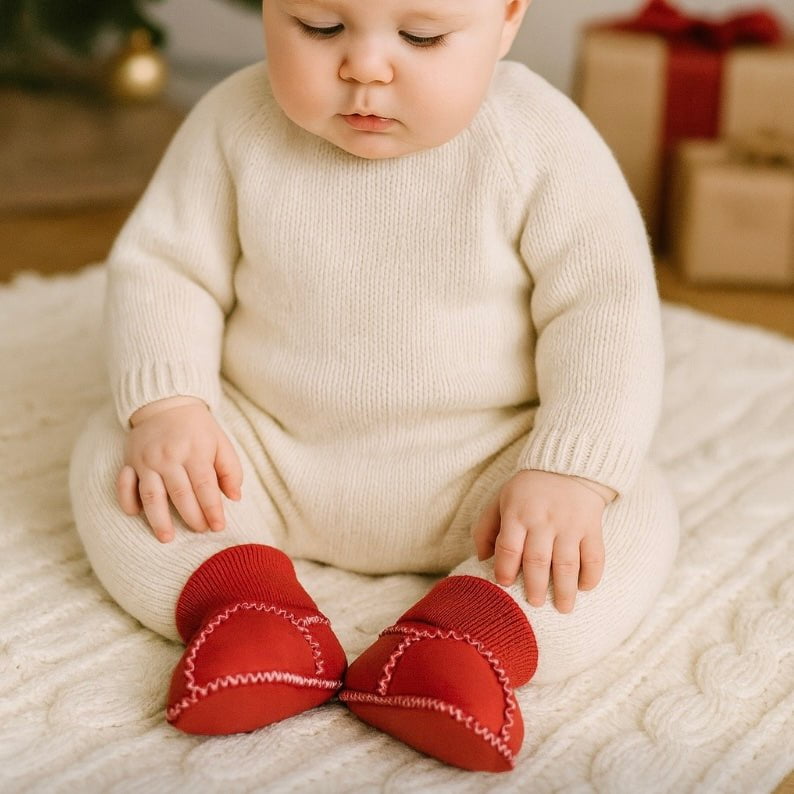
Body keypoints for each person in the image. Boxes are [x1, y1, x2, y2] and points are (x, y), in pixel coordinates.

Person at [69, 0, 680, 773]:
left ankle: (463, 643)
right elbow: (166, 269)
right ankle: (248, 612)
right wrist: (171, 406)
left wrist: (569, 471)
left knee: (625, 512)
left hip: (488, 476)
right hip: (263, 450)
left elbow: (606, 306)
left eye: (422, 36)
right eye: (319, 28)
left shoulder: (541, 139)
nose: (364, 66)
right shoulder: (233, 122)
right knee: (120, 458)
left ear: (508, 19)